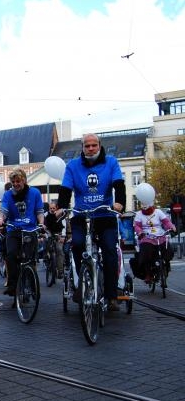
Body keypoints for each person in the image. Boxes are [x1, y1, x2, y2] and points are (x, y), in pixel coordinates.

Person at [56, 133, 126, 312]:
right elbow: (65, 189)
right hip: (82, 215)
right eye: (87, 146)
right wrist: (62, 207)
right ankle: (83, 284)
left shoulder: (111, 162)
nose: (91, 148)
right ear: (82, 147)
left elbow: (119, 184)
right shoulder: (73, 165)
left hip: (105, 216)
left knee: (109, 250)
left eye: (94, 145)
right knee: (77, 245)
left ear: (99, 146)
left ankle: (111, 295)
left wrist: (120, 203)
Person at [0, 169, 45, 297]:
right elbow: (4, 210)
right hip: (13, 229)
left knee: (29, 259)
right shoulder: (8, 195)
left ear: (24, 180)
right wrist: (1, 220)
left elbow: (39, 211)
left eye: (18, 181)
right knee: (11, 255)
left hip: (30, 229)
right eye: (13, 182)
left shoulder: (35, 193)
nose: (15, 184)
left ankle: (33, 284)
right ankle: (13, 286)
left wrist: (41, 223)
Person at [133, 204, 176, 283]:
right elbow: (137, 226)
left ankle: (166, 264)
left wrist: (171, 227)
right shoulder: (139, 214)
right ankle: (148, 274)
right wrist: (140, 232)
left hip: (160, 235)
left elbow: (166, 222)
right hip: (147, 236)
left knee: (168, 248)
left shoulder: (158, 212)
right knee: (146, 252)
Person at [43, 199, 65, 278]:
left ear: (57, 208)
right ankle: (47, 259)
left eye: (53, 208)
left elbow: (64, 226)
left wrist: (62, 236)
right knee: (46, 246)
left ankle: (60, 271)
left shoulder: (60, 214)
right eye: (50, 208)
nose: (52, 210)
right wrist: (44, 233)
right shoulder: (45, 215)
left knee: (59, 250)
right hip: (49, 233)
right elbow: (43, 226)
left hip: (58, 234)